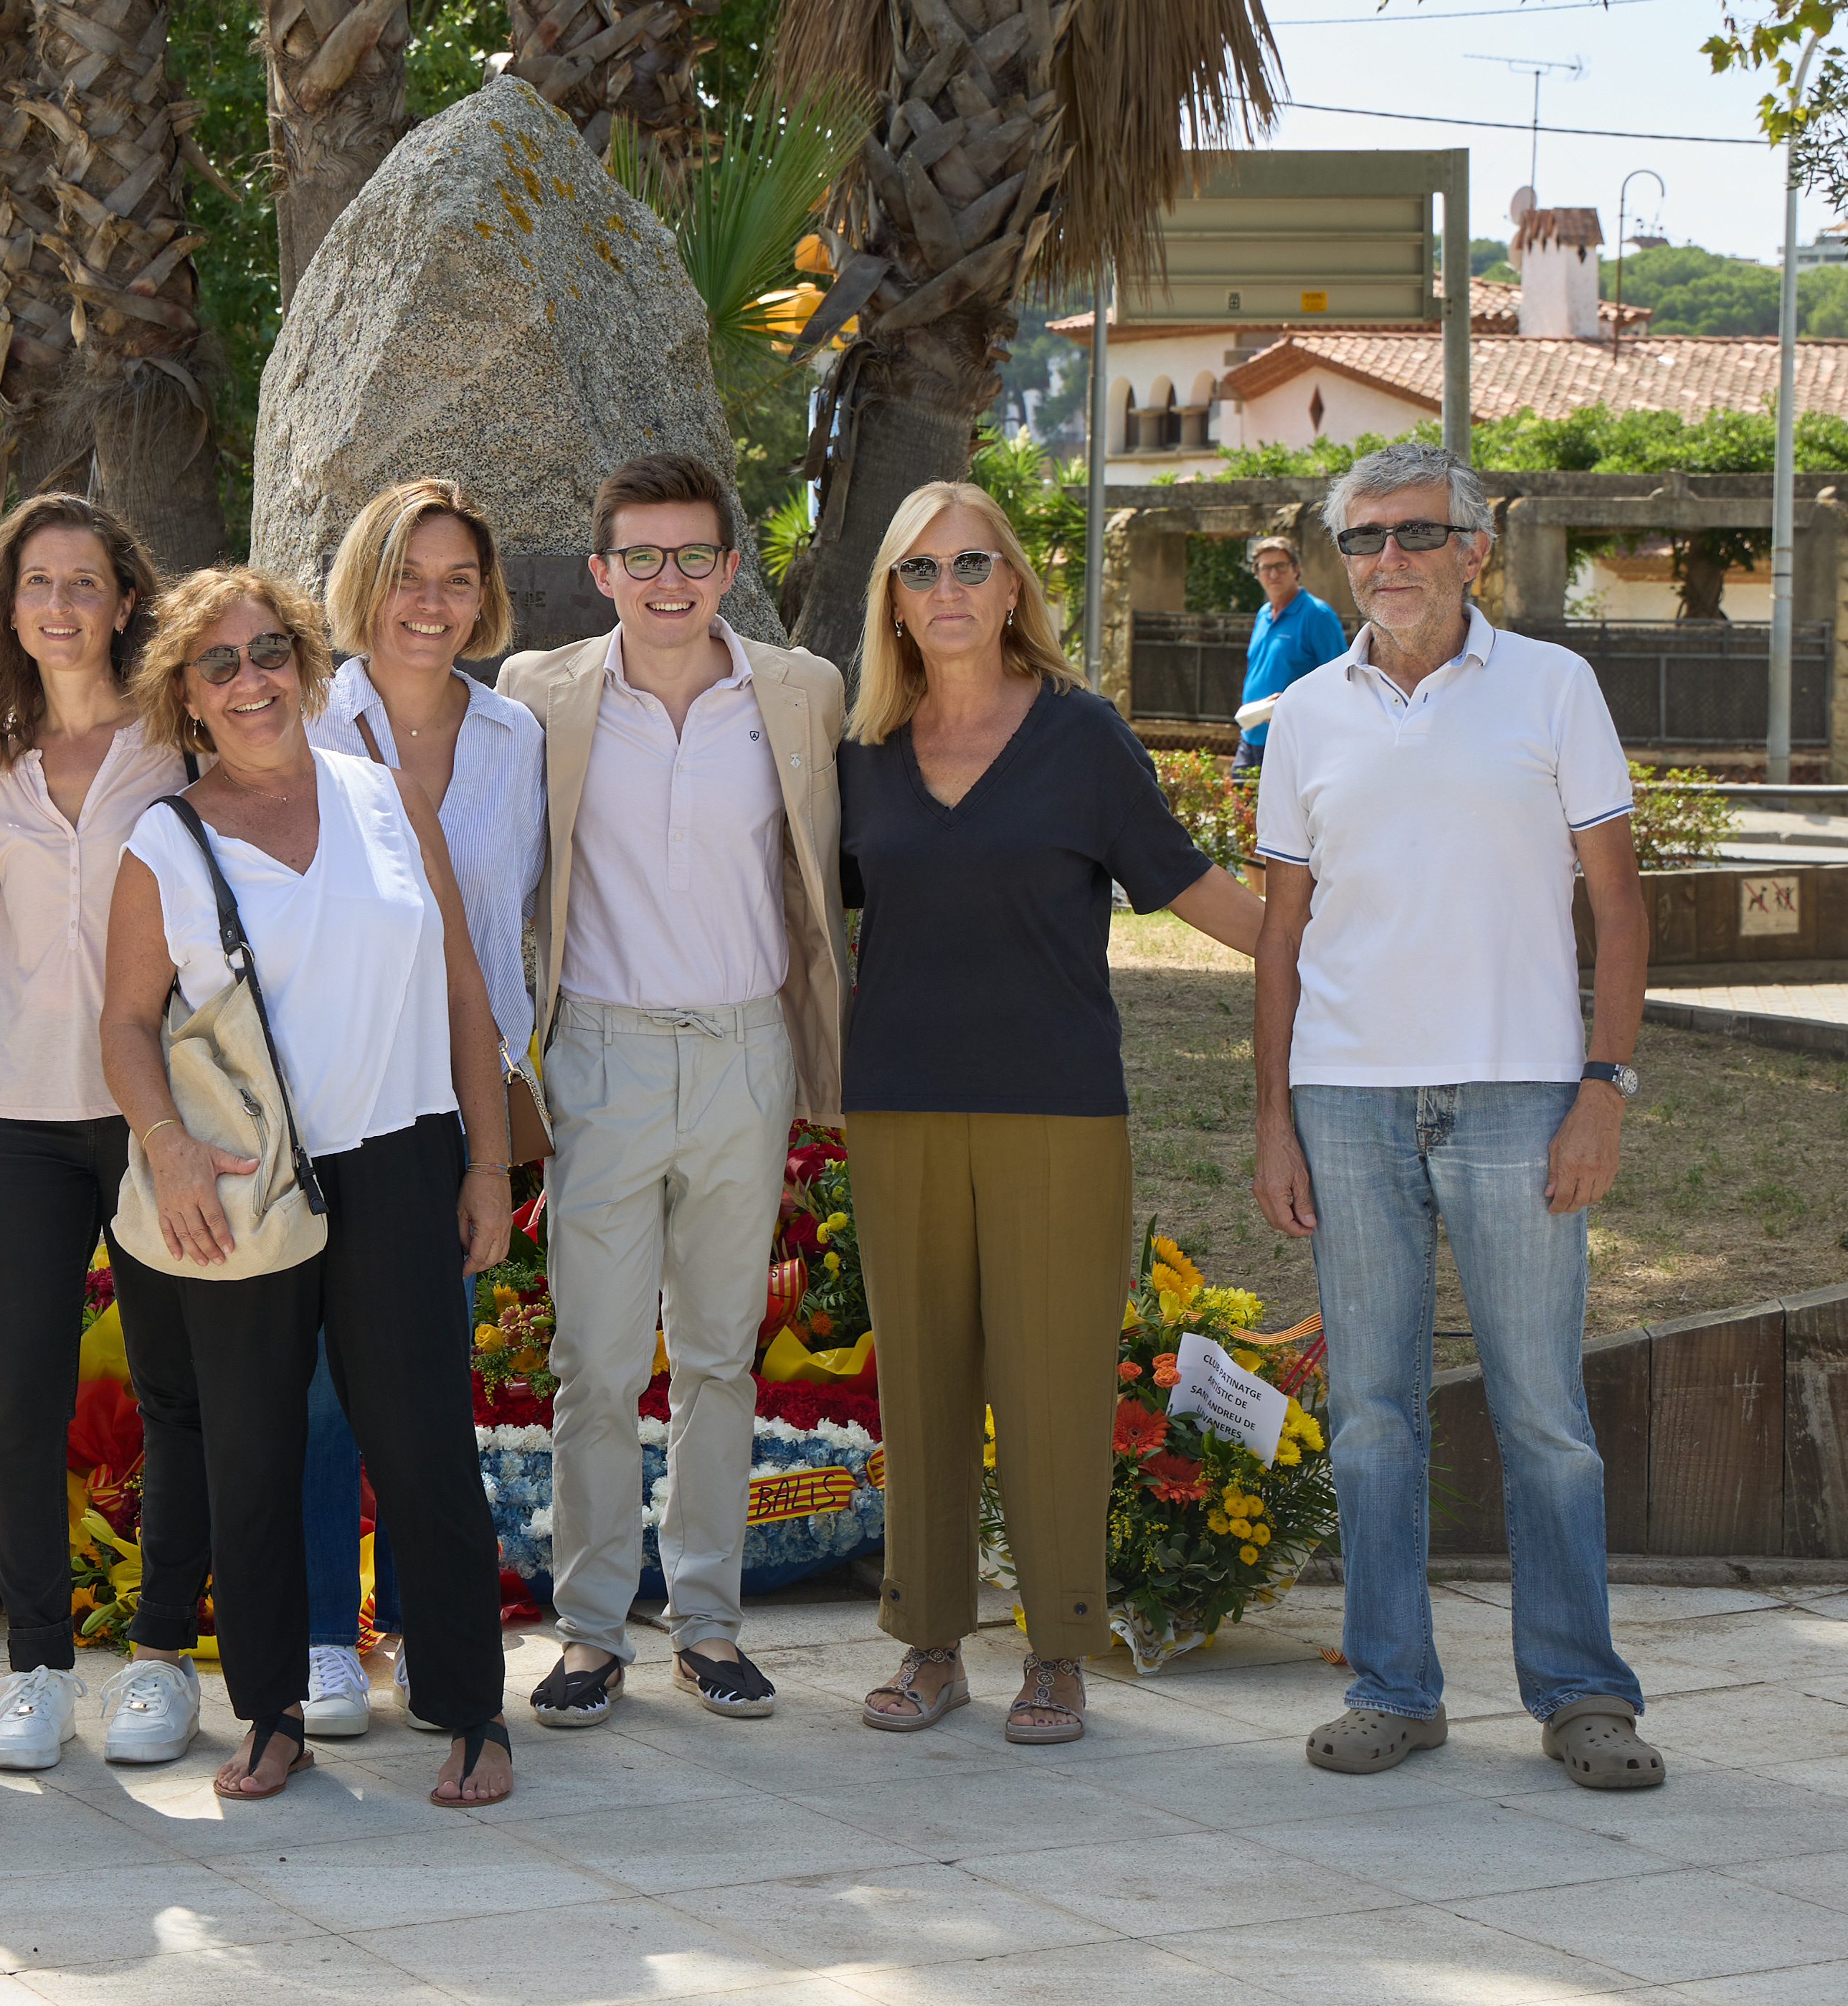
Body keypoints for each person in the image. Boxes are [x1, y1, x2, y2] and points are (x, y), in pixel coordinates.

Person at [1253, 441, 1663, 1789]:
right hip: (1346, 1098)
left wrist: (1599, 1087)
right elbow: (1280, 934)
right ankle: (1391, 1686)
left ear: (1471, 550)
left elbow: (1615, 902)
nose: (1387, 562)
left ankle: (1579, 1693)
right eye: (1362, 540)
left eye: (1415, 535)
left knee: (1541, 1408)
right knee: (1369, 1413)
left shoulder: (1554, 687)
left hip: (1516, 1092)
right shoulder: (1306, 711)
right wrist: (1272, 1117)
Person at [837, 483, 1262, 1746]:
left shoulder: (1079, 737)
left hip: (1056, 1105)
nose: (949, 589)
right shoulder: (858, 747)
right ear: (892, 604)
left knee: (1050, 1379)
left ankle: (1058, 1648)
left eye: (973, 564)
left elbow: (1191, 888)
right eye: (919, 571)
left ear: (1014, 585)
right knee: (915, 1379)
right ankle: (927, 1641)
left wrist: (1343, 946)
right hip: (896, 1098)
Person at [100, 566, 518, 1807]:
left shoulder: (384, 798)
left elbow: (460, 994)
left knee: (424, 1445)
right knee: (253, 1449)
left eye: (267, 651)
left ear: (304, 661)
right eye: (216, 663)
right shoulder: (160, 842)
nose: (249, 680)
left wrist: (487, 1162)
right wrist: (168, 1147)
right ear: (185, 694)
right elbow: (124, 1024)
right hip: (243, 1183)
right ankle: (269, 1711)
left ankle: (468, 1712)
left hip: (398, 1157)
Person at [494, 452, 845, 1729]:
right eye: (638, 556)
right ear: (598, 572)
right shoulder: (536, 694)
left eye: (692, 555)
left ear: (728, 566)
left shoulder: (796, 691)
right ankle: (589, 1633)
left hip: (745, 1049)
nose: (666, 579)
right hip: (599, 1051)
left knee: (716, 1354)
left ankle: (706, 1625)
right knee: (591, 1358)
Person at [0, 493, 212, 1773]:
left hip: (153, 1109)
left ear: (121, 601)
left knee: (173, 1386)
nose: (58, 605)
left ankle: (160, 1658)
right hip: (11, 1113)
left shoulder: (177, 743)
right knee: (21, 1392)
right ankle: (37, 1665)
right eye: (34, 582)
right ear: (9, 606)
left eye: (83, 581)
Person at [299, 477, 542, 1734]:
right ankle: (319, 1636)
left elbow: (511, 934)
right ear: (362, 585)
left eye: (455, 579)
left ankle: (412, 1621)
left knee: (425, 1373)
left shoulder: (515, 740)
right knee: (324, 1382)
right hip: (329, 1093)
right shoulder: (297, 719)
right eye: (406, 576)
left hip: (454, 1103)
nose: (430, 604)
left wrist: (494, 1140)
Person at [1234, 536, 1346, 776]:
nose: (1273, 574)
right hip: (1251, 734)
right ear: (1257, 573)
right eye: (1266, 568)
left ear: (1296, 569)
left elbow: (1341, 680)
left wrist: (1292, 702)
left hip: (1291, 741)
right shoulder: (1264, 613)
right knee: (1240, 808)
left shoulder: (1317, 615)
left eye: (1280, 566)